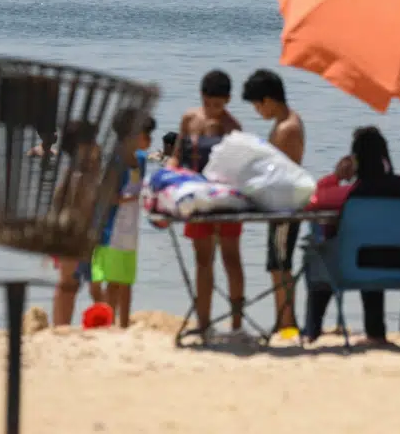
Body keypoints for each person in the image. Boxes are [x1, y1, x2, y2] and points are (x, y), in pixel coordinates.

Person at [302, 127, 400, 344]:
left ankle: (312, 330)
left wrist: (335, 177)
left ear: (356, 160)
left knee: (320, 255)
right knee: (375, 250)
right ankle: (375, 332)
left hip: (361, 264)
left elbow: (314, 201)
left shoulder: (356, 194)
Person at [168, 70, 245, 337]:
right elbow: (177, 156)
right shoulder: (189, 120)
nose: (214, 110)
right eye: (210, 104)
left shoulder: (233, 127)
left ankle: (236, 326)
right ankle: (204, 323)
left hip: (224, 200)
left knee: (231, 258)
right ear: (202, 97)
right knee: (202, 260)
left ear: (228, 100)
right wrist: (167, 183)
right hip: (196, 198)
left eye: (220, 105)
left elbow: (239, 168)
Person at [242, 68, 306, 333]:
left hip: (285, 207)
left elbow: (279, 172)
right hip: (281, 203)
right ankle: (284, 320)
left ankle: (287, 323)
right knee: (276, 266)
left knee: (281, 266)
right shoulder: (287, 123)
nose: (258, 111)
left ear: (268, 100)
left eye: (258, 105)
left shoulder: (287, 129)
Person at [92, 116, 154, 329]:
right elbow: (106, 196)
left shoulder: (142, 161)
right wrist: (131, 199)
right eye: (147, 135)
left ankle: (124, 324)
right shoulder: (115, 161)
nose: (150, 140)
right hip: (113, 229)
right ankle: (108, 323)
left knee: (127, 279)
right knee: (113, 281)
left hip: (131, 230)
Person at [50, 121, 104, 326]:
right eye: (91, 143)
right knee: (68, 285)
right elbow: (58, 202)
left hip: (91, 235)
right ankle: (60, 326)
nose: (96, 147)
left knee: (92, 285)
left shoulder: (90, 171)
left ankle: (103, 323)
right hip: (71, 236)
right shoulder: (74, 175)